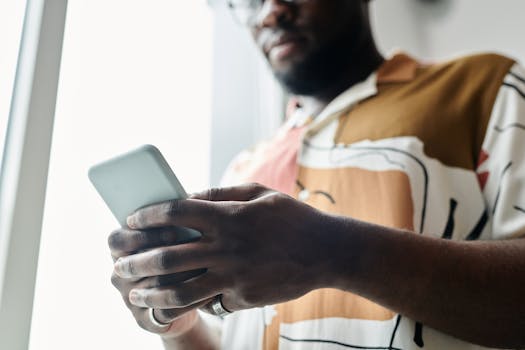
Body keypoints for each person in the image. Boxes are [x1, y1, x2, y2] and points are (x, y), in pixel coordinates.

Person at [108, 0, 525, 349]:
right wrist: (181, 327)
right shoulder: (245, 166)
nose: (270, 12)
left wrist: (330, 253)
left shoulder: (484, 88)